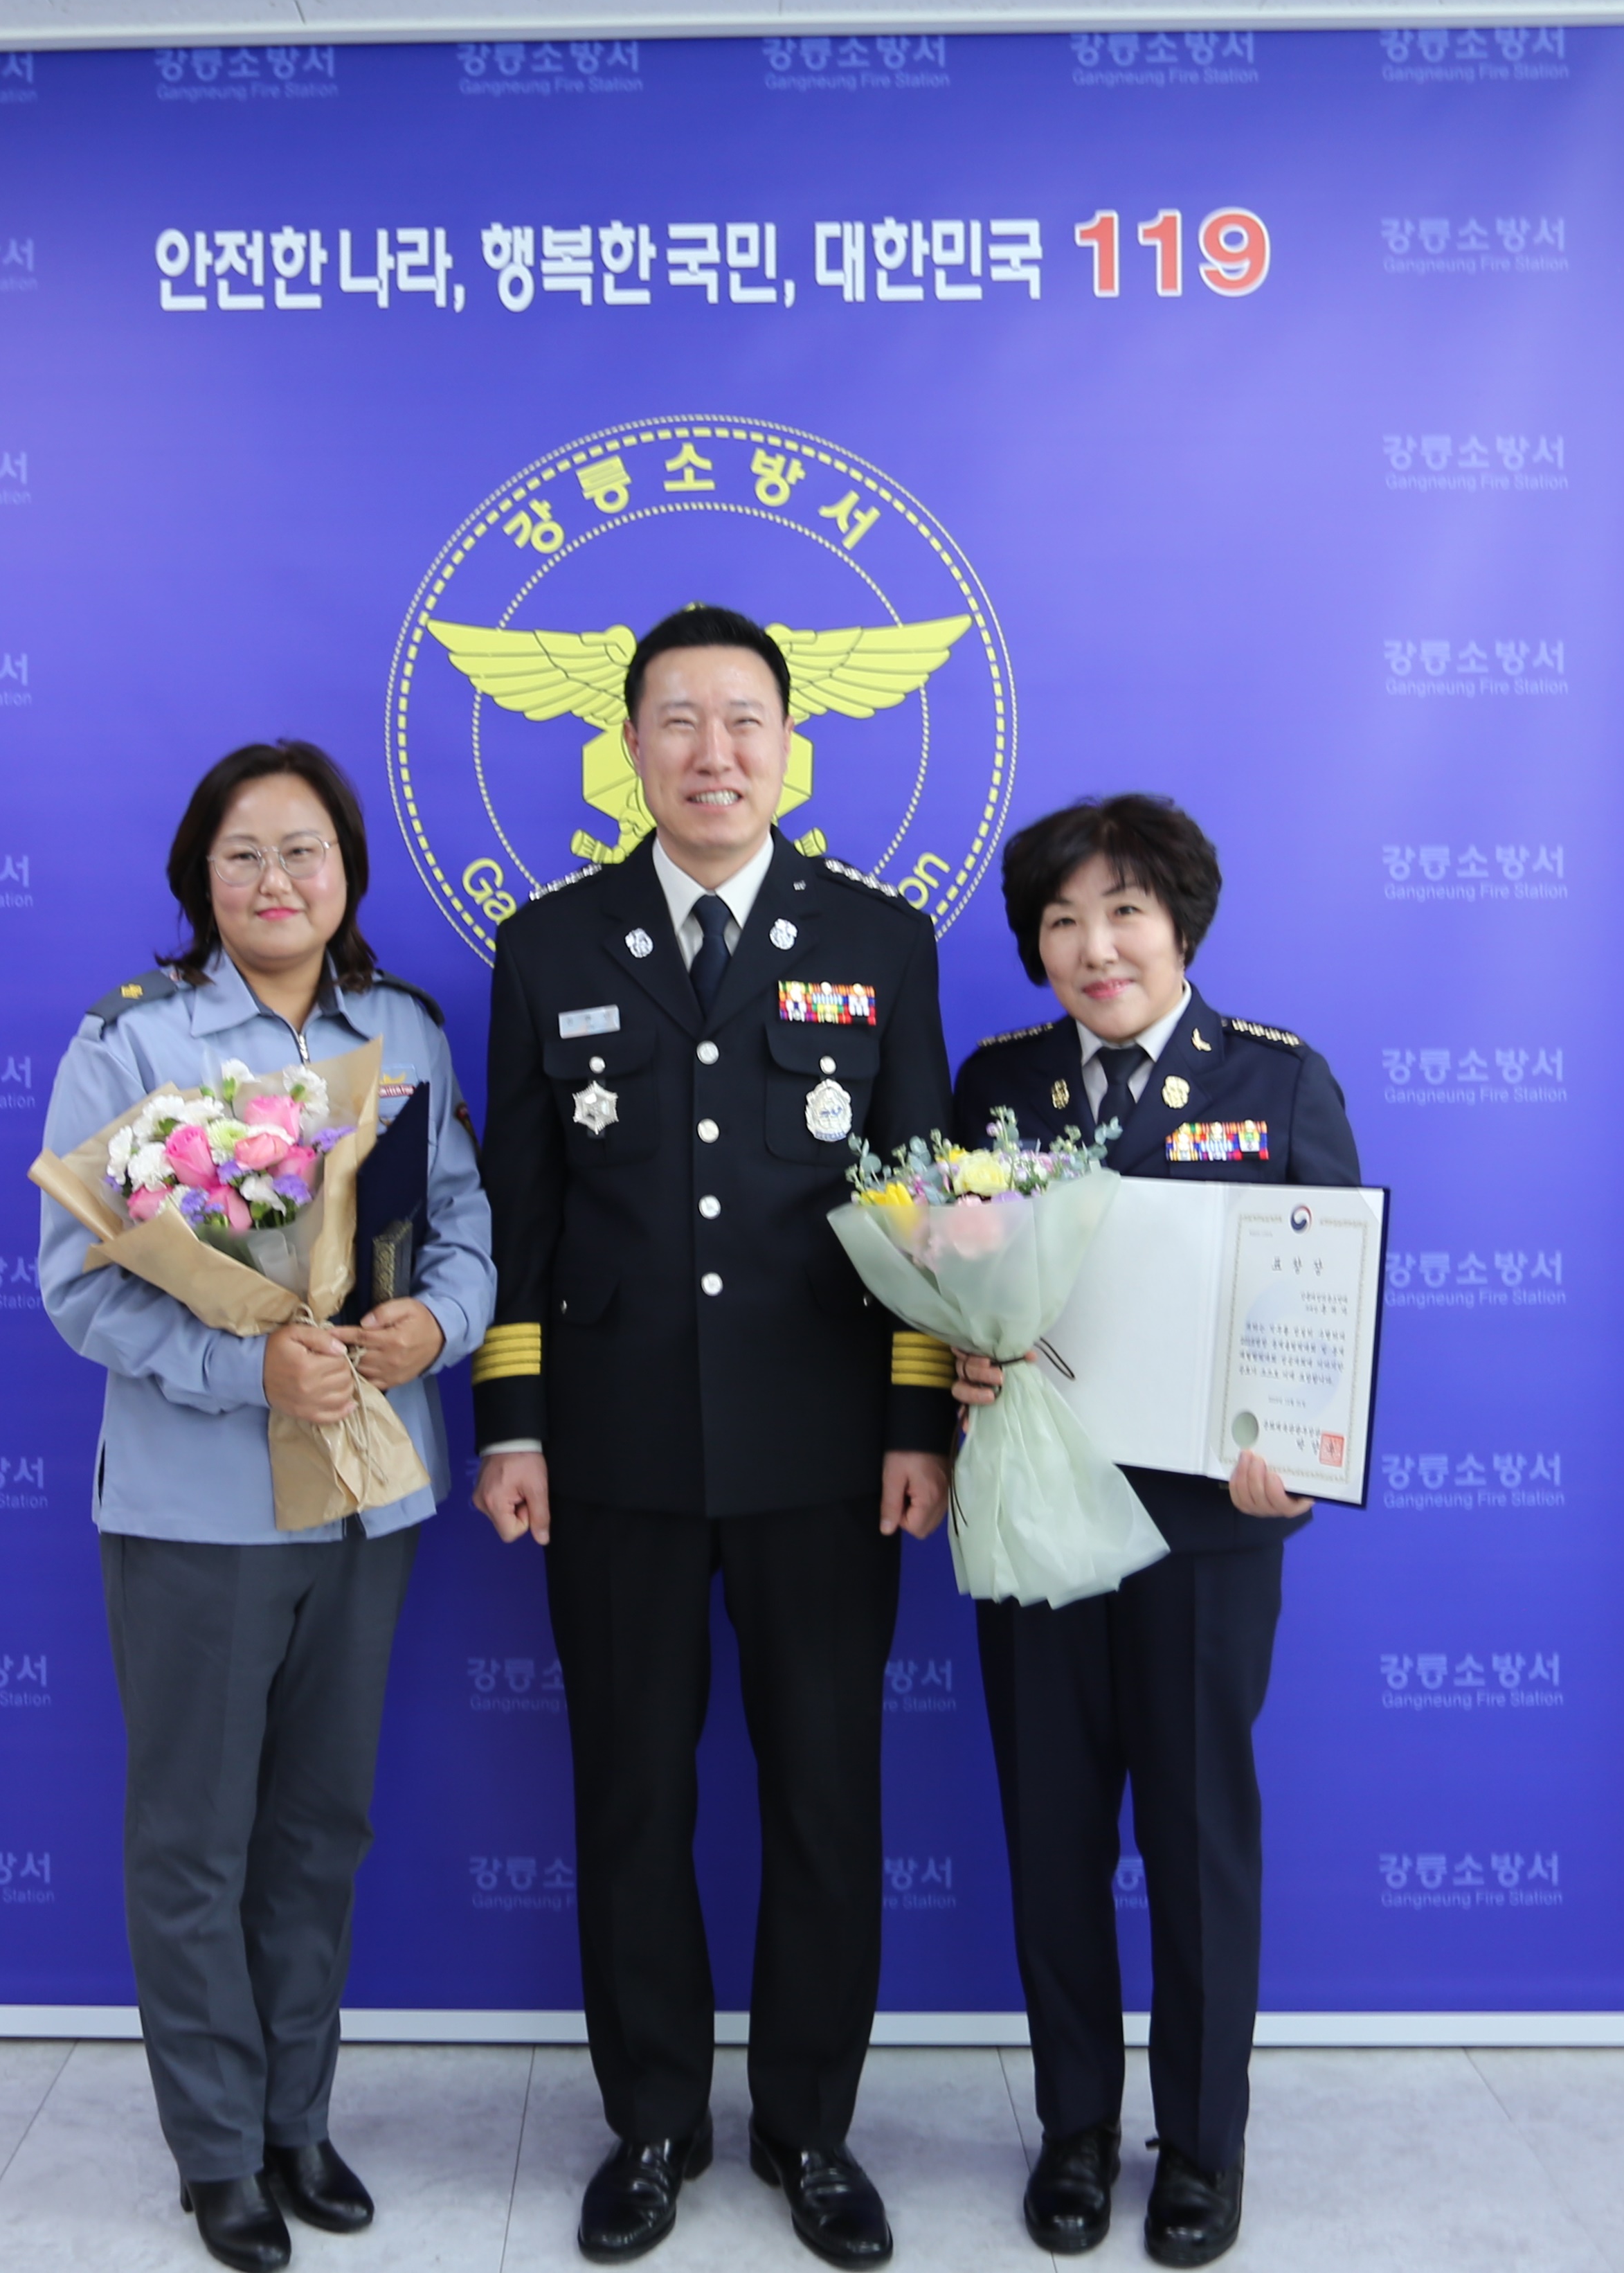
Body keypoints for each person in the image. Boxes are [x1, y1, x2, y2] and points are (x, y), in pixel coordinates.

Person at [470, 605, 957, 2268]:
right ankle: (655, 2121)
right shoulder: (548, 945)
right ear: (628, 748)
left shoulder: (882, 941)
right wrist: (515, 1423)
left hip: (827, 1452)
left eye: (745, 718)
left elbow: (923, 1206)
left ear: (791, 747)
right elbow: (521, 1214)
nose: (714, 751)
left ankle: (811, 2126)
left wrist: (916, 1418)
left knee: (827, 1794)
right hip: (610, 1452)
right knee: (630, 1795)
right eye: (678, 719)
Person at [38, 740, 496, 2273]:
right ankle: (219, 2149)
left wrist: (438, 1323)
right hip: (198, 1509)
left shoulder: (404, 1031)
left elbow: (463, 1226)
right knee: (195, 1837)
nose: (277, 879)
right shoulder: (136, 1039)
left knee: (320, 1826)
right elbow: (83, 1287)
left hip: (366, 1493)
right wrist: (252, 1369)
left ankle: (300, 2117)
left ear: (347, 870)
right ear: (201, 877)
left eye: (305, 850)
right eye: (243, 854)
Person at [949, 794, 1357, 2270]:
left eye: (1123, 911)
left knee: (1195, 1843)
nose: (1095, 945)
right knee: (1051, 1834)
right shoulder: (996, 1086)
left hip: (1205, 1535)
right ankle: (1073, 2127)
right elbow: (947, 1283)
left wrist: (1299, 1459)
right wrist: (960, 1361)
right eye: (1062, 921)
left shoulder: (1275, 1077)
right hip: (1038, 1516)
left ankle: (1200, 2143)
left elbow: (1327, 1308)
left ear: (1180, 923)